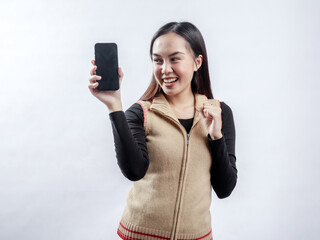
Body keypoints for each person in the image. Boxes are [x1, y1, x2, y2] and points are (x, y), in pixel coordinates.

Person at [88, 22, 237, 240]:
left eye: (174, 58)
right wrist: (114, 106)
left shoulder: (219, 112)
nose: (165, 69)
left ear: (197, 62)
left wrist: (216, 136)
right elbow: (134, 171)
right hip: (140, 235)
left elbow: (225, 189)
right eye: (157, 60)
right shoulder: (140, 113)